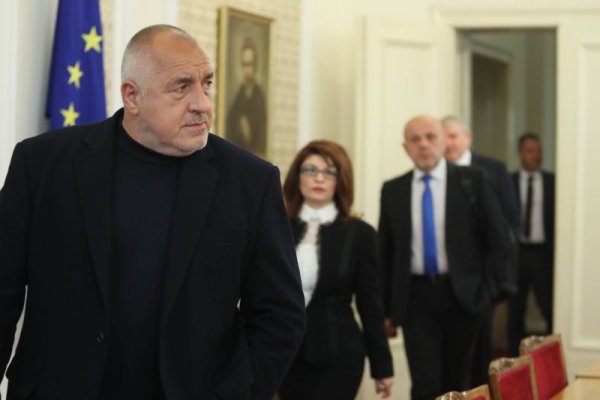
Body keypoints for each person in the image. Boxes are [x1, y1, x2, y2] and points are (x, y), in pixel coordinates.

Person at [0, 24, 305, 400]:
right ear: (132, 96)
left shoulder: (250, 181)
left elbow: (280, 314)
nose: (202, 103)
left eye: (207, 83)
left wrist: (236, 394)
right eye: (181, 87)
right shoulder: (42, 164)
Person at [378, 115, 511, 400]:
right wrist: (386, 309)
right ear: (406, 148)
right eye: (415, 139)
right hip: (415, 298)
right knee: (424, 384)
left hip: (463, 295)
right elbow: (386, 252)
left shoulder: (472, 180)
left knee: (458, 382)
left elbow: (499, 239)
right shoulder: (393, 190)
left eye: (430, 137)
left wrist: (488, 292)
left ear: (442, 142)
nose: (424, 145)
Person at [279, 140, 394, 399]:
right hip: (284, 352)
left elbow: (370, 305)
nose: (319, 178)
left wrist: (382, 367)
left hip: (338, 354)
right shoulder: (276, 227)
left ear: (341, 181)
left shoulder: (360, 234)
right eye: (311, 170)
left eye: (330, 172)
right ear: (297, 177)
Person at [442, 115, 520, 386]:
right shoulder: (433, 172)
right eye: (444, 137)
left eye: (453, 136)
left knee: (479, 354)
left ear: (468, 137)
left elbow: (509, 223)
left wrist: (493, 278)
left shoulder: (493, 169)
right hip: (441, 283)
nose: (448, 143)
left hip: (480, 282)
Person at [507, 132, 555, 356]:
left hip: (543, 253)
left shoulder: (553, 182)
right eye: (530, 151)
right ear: (520, 153)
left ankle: (550, 358)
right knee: (515, 309)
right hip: (516, 253)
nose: (536, 155)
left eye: (539, 151)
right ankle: (513, 362)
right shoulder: (508, 182)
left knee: (548, 305)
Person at [226, 37, 267, 156]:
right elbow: (230, 122)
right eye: (244, 65)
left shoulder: (259, 96)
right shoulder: (239, 94)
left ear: (255, 66)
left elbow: (261, 134)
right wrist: (240, 123)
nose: (246, 69)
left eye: (249, 64)